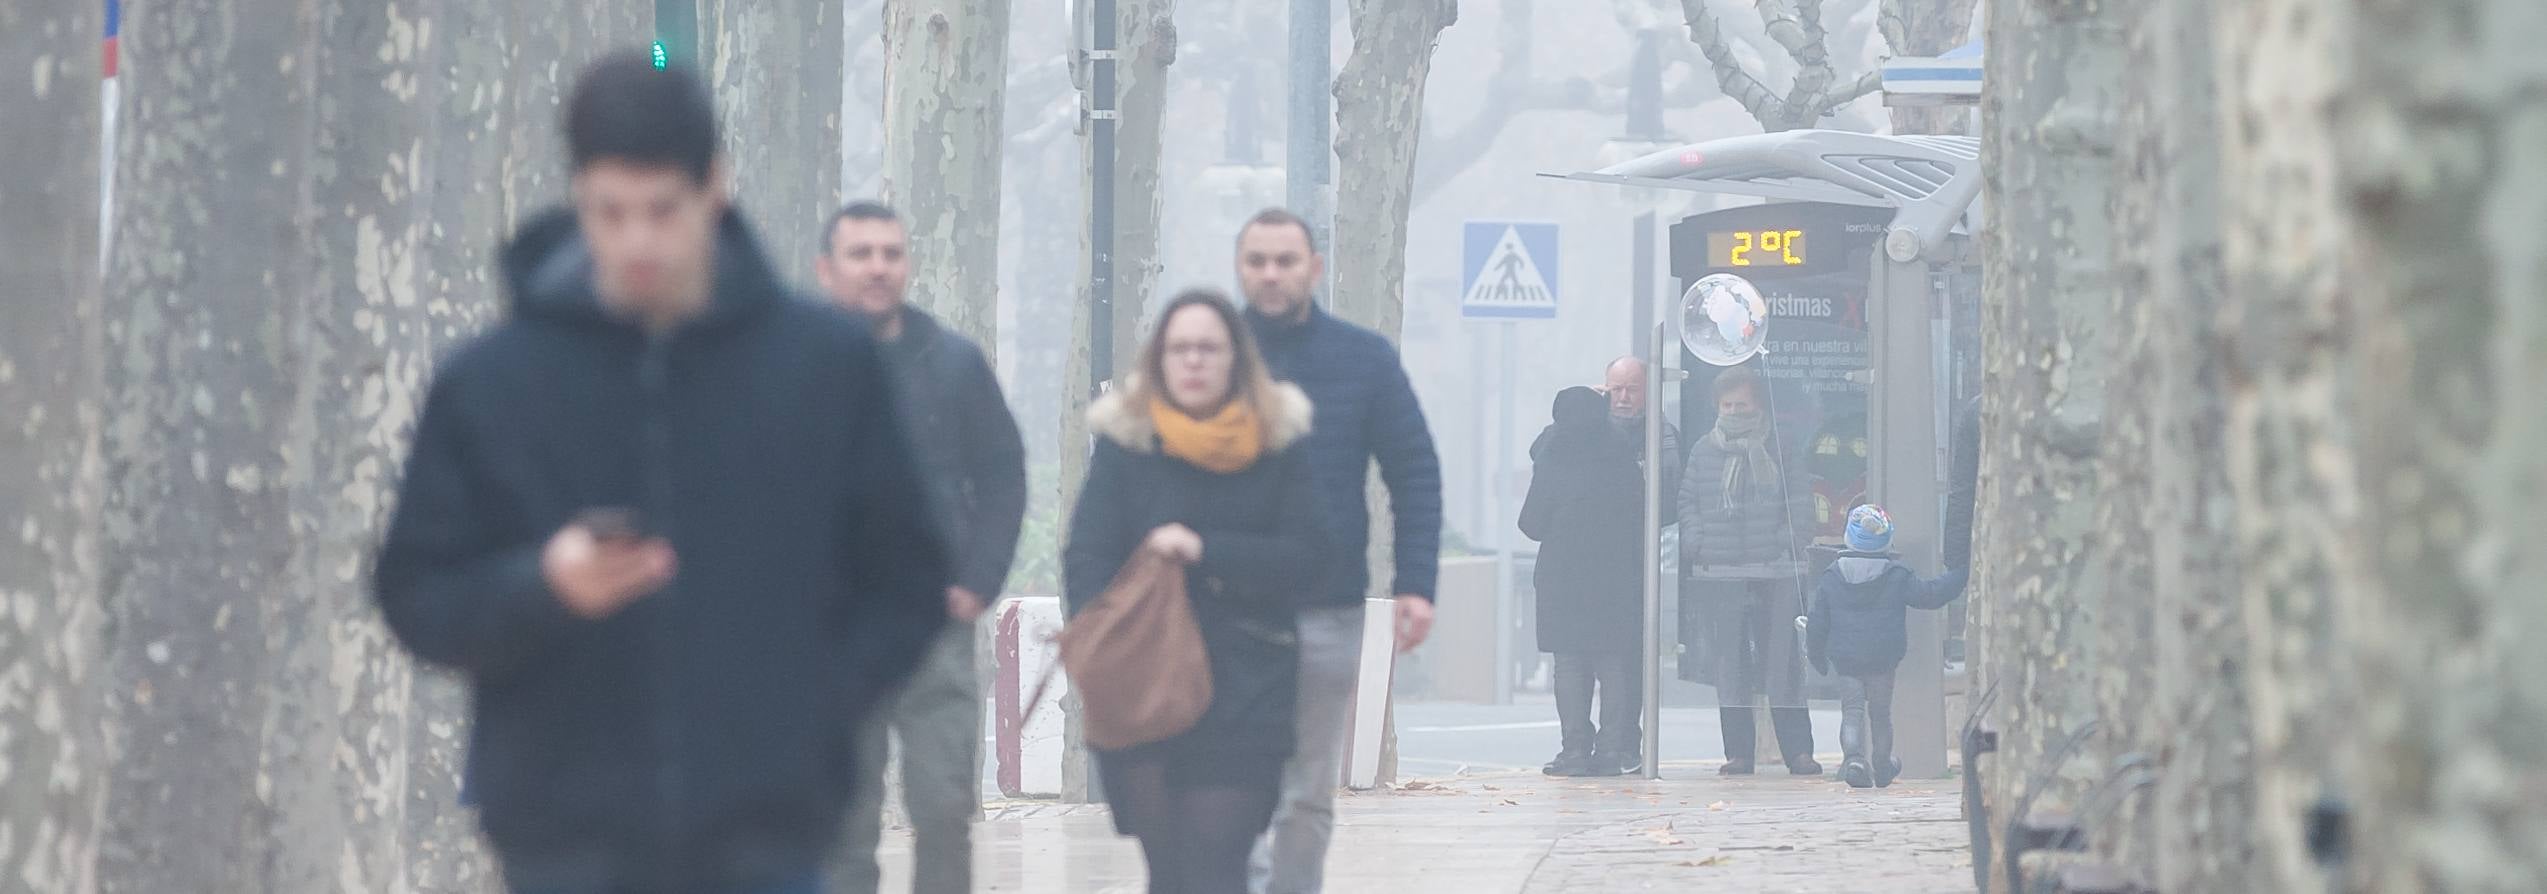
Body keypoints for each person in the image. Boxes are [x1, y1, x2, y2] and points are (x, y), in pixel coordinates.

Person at [369, 53, 949, 894]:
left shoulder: (825, 370)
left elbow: (906, 578)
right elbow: (416, 591)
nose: (637, 241)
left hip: (768, 838)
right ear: (577, 196)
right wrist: (542, 585)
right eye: (609, 212)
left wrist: (808, 704)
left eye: (661, 210)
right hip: (561, 841)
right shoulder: (491, 382)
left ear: (714, 186)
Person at [1064, 288, 1325, 893]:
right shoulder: (1127, 445)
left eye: (1208, 347)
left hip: (1247, 682)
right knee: (1169, 868)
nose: (1194, 361)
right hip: (1145, 682)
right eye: (1179, 348)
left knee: (1219, 862)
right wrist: (1099, 637)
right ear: (1159, 359)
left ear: (1236, 358)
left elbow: (1312, 559)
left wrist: (1206, 548)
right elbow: (1088, 553)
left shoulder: (1279, 445)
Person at [817, 202, 1027, 894]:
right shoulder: (798, 369)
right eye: (861, 253)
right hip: (835, 630)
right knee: (844, 822)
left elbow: (1002, 473)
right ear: (828, 270)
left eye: (890, 253)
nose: (877, 267)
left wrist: (979, 578)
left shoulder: (955, 364)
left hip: (936, 621)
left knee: (943, 804)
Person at [1234, 208, 1443, 894]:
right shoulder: (1207, 352)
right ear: (1240, 267)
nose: (1271, 274)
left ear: (1313, 269)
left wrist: (1416, 583)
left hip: (1325, 608)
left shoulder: (1362, 359)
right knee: (1226, 787)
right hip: (1219, 611)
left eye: (1285, 260)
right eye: (1257, 260)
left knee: (1302, 793)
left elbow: (1412, 468)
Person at [1677, 367, 1821, 776]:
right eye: (1728, 405)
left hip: (1775, 572)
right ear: (1716, 408)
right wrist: (1696, 540)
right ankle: (1738, 753)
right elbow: (1688, 500)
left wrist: (1786, 540)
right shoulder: (1704, 450)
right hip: (1719, 574)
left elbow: (1799, 499)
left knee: (1785, 665)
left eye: (1743, 404)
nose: (1735, 411)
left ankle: (1799, 752)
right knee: (1731, 667)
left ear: (1758, 405)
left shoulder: (1781, 447)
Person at [1519, 387, 1647, 777]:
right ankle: (1611, 750)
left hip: (1563, 578)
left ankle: (1574, 750)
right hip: (1615, 576)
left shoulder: (1555, 455)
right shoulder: (1622, 455)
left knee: (1570, 664)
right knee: (1613, 662)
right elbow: (1641, 512)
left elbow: (1531, 523)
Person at [1805, 505, 1968, 788]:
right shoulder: (1897, 575)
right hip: (1882, 659)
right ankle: (1882, 763)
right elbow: (1930, 595)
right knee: (1881, 714)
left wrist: (1816, 657)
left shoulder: (1832, 576)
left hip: (1846, 660)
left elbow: (1818, 622)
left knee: (1852, 711)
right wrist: (1961, 575)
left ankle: (1854, 760)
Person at [1602, 355, 1680, 506]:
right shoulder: (1590, 432)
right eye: (1616, 389)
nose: (1623, 398)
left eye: (1632, 390)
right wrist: (1585, 411)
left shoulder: (1664, 435)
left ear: (1648, 391)